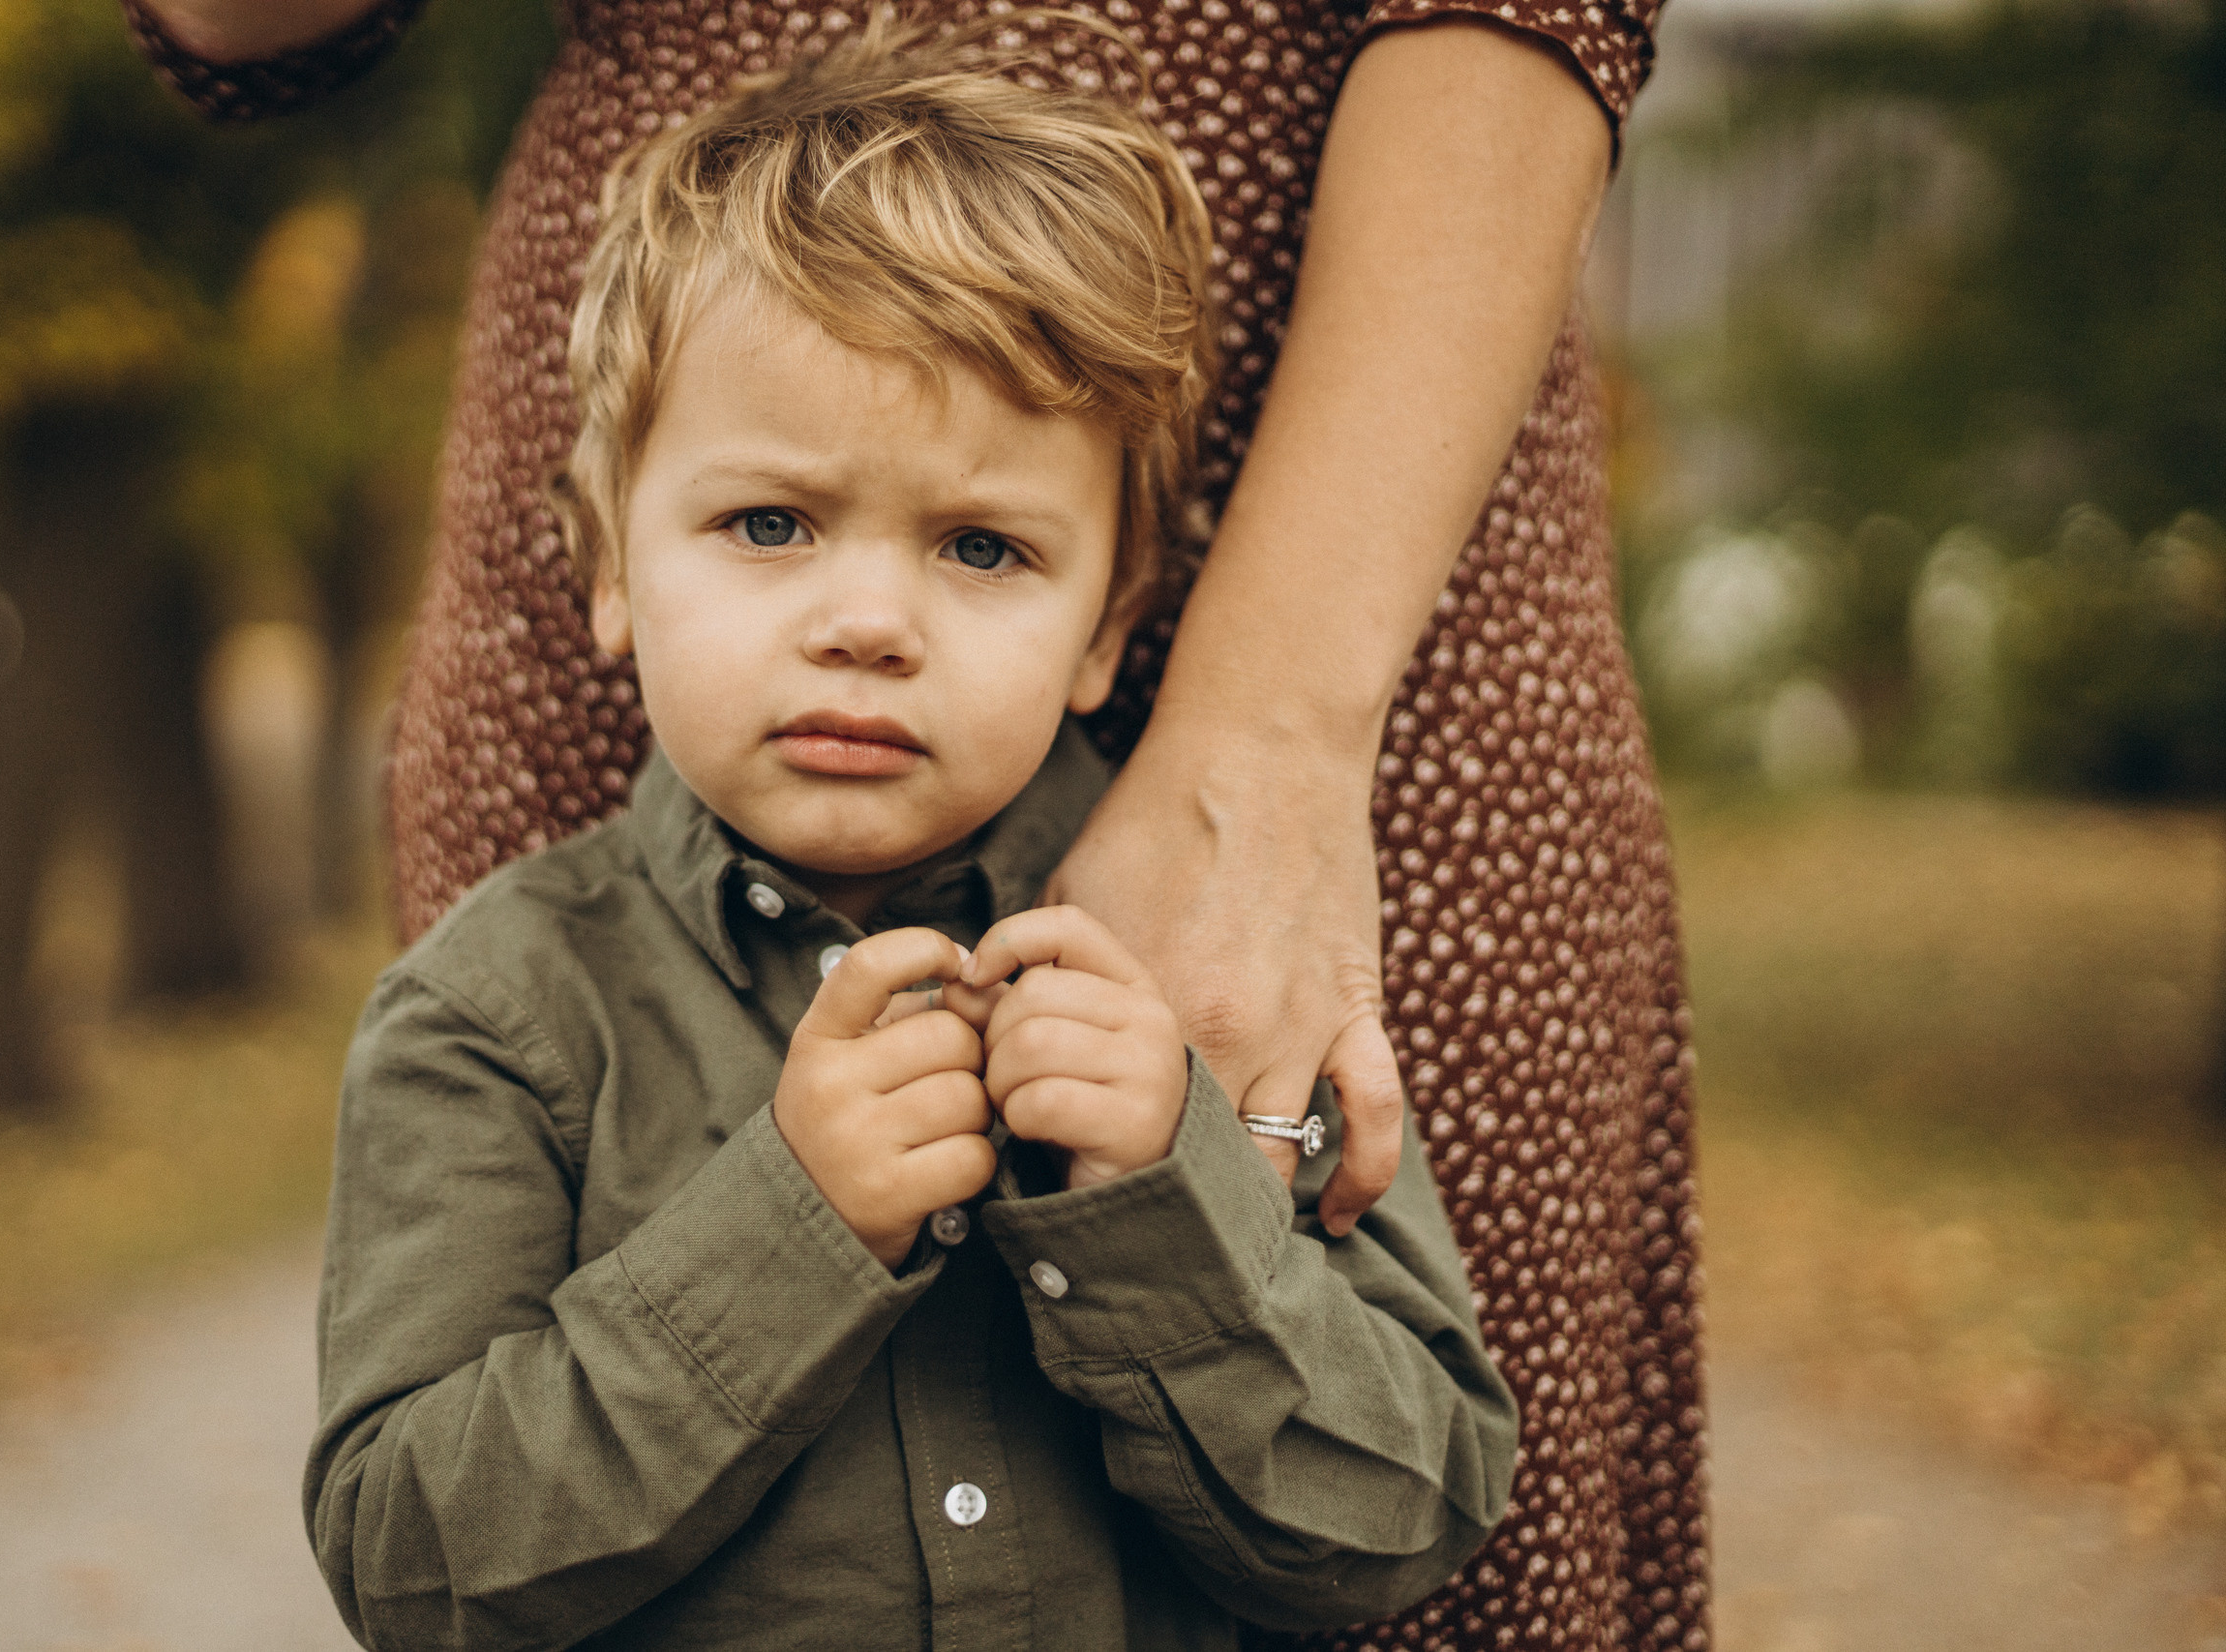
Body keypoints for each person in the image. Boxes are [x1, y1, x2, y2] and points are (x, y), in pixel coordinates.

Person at [127, 0, 1707, 1645]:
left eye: (979, 550)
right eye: (768, 523)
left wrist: (1165, 1204)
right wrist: (788, 1231)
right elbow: (411, 1567)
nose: (867, 621)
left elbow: (1410, 1523)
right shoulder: (498, 1019)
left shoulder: (1213, 982)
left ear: (1112, 623)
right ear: (604, 563)